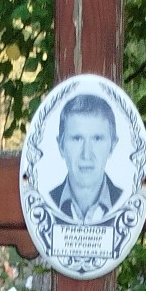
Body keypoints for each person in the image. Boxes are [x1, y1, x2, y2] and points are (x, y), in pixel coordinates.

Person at [47, 92, 122, 224]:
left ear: (112, 146)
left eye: (97, 139)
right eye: (77, 139)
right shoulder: (45, 202)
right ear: (61, 146)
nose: (86, 154)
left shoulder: (125, 202)